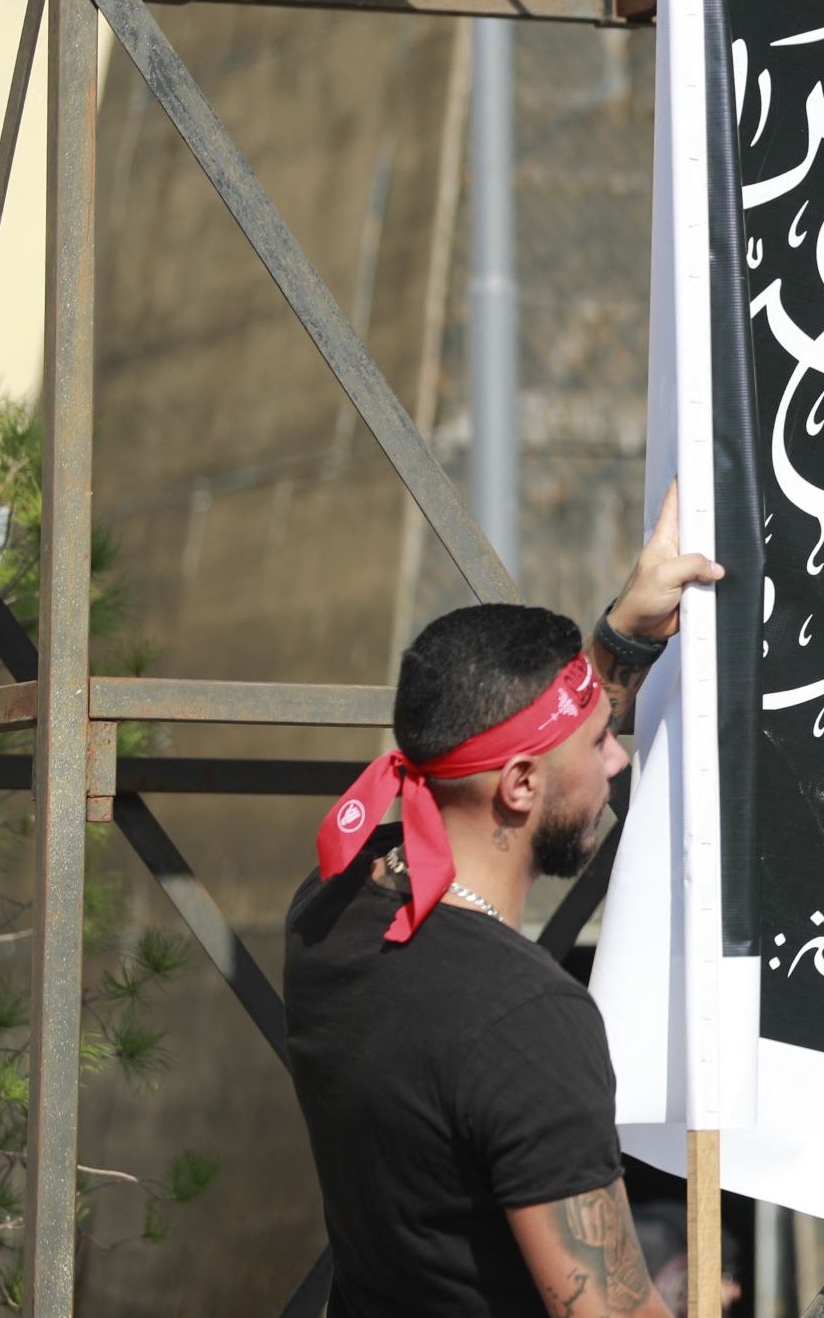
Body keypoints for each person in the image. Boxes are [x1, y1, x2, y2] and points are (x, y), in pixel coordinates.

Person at [283, 484, 723, 1318]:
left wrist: (623, 637)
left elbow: (530, 743)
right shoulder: (527, 1023)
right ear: (518, 785)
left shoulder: (331, 902)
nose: (618, 762)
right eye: (602, 742)